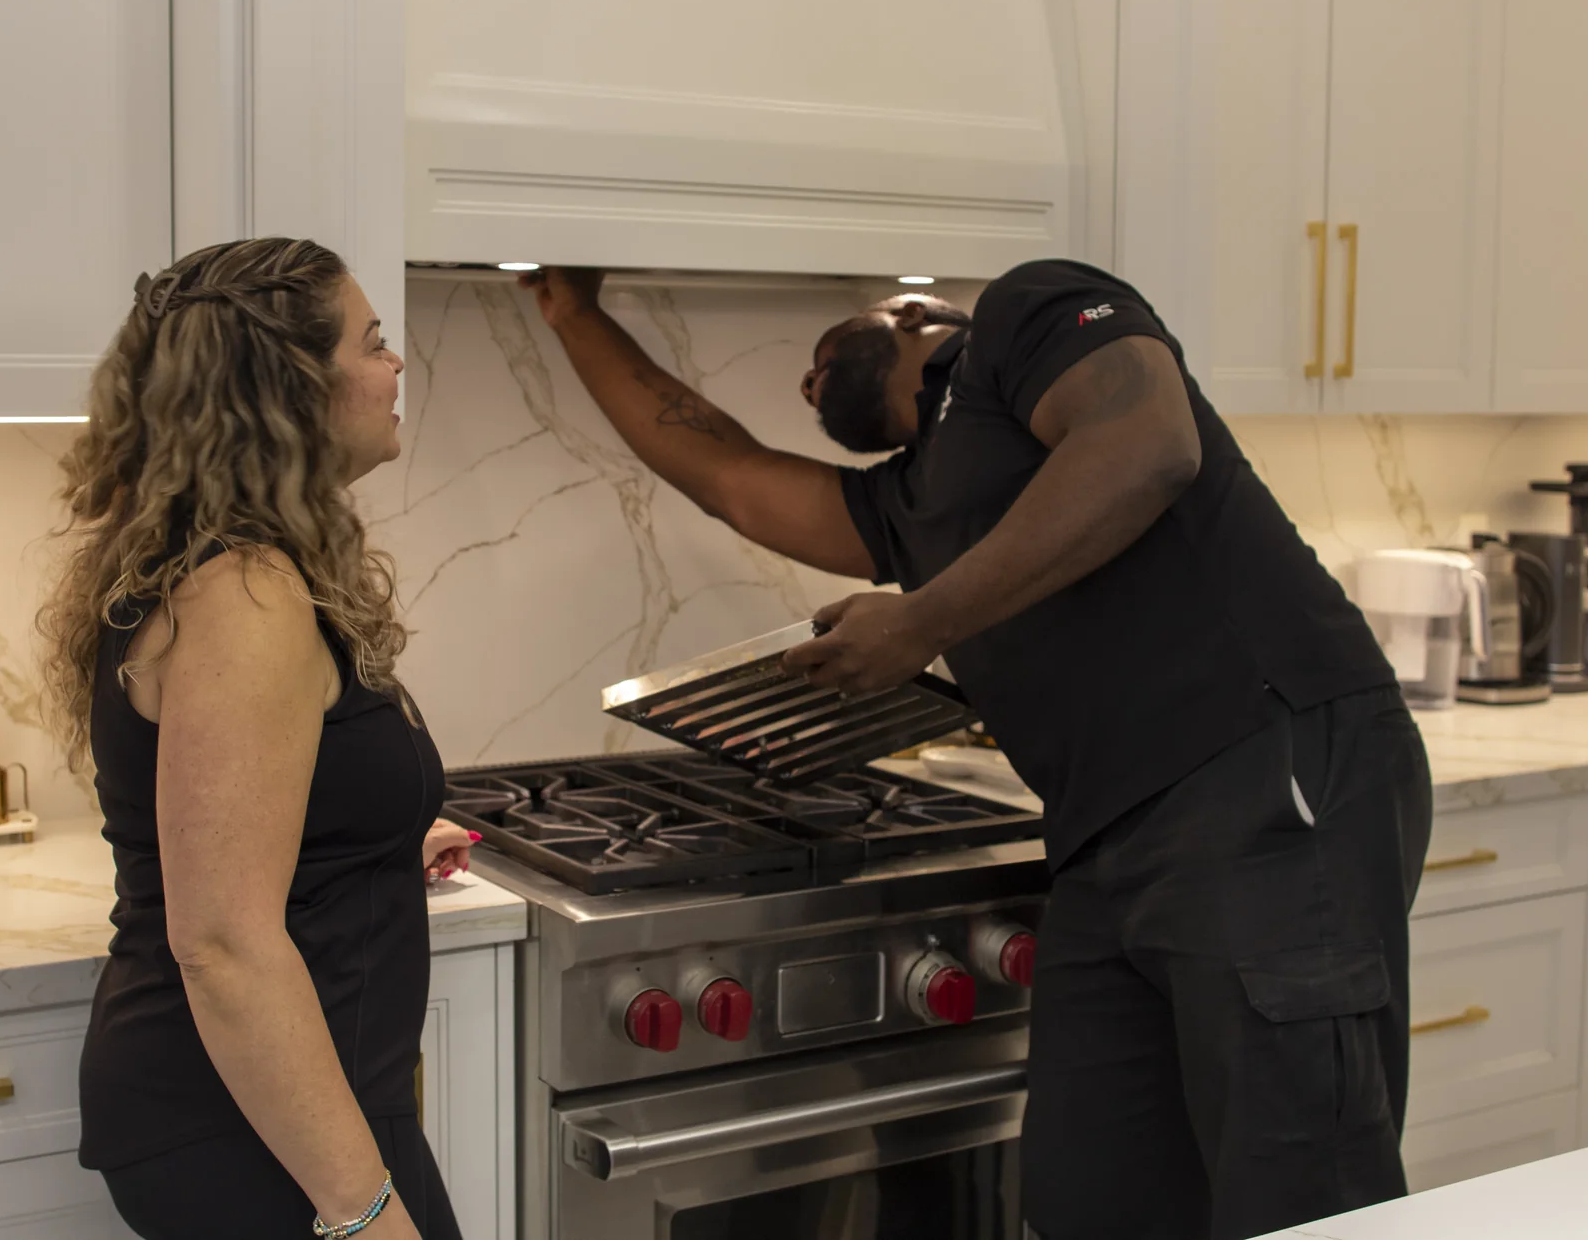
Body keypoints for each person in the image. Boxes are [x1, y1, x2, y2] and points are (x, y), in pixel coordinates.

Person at [521, 262, 1432, 1240]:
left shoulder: (1025, 314)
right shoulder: (909, 504)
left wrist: (921, 621)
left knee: (1300, 1188)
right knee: (1092, 1199)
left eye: (824, 352)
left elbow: (1145, 443)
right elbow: (728, 477)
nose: (807, 382)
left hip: (1260, 773)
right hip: (1103, 839)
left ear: (913, 312)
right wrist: (574, 314)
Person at [41, 237, 470, 1240]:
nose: (394, 366)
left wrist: (369, 847)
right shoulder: (244, 594)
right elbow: (223, 943)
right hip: (252, 1125)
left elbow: (236, 830)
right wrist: (363, 1213)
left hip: (278, 1101)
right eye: (371, 342)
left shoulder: (220, 567)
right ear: (290, 388)